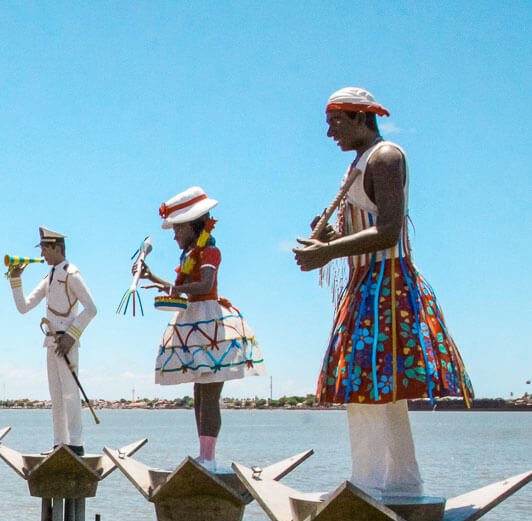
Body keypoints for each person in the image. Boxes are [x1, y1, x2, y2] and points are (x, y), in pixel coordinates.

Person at [294, 87, 472, 497]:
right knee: (382, 388)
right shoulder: (361, 162)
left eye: (336, 123)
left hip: (385, 284)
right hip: (369, 284)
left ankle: (367, 487)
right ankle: (403, 485)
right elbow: (370, 226)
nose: (330, 133)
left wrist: (328, 251)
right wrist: (332, 236)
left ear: (361, 117)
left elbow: (389, 230)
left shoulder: (385, 157)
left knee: (366, 384)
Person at [137, 187, 265, 466]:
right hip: (194, 323)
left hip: (210, 325)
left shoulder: (210, 252)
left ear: (194, 225)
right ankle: (204, 454)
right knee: (198, 393)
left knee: (209, 394)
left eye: (178, 228)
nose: (174, 235)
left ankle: (209, 458)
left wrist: (172, 288)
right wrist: (153, 277)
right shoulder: (189, 255)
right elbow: (184, 287)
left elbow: (205, 285)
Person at [7, 227, 97, 454]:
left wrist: (71, 335)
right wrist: (15, 280)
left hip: (66, 341)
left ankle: (76, 443)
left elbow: (91, 308)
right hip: (51, 341)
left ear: (57, 248)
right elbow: (24, 307)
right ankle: (60, 443)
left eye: (45, 248)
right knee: (56, 396)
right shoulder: (49, 277)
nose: (42, 254)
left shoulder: (71, 274)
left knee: (70, 393)